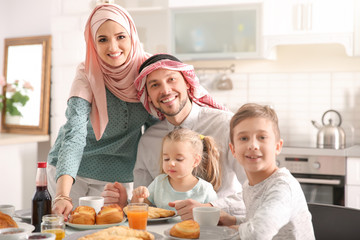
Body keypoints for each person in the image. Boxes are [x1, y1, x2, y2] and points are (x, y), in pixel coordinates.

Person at [102, 54, 247, 220]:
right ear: (148, 96)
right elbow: (145, 204)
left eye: (171, 79)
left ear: (187, 83)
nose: (165, 90)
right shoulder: (148, 141)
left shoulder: (225, 125)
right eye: (155, 85)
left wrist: (208, 208)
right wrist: (125, 205)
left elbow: (255, 190)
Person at [47, 3, 157, 220]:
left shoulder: (149, 71)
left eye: (120, 36)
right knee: (69, 230)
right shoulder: (87, 73)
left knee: (110, 231)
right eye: (102, 39)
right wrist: (62, 195)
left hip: (116, 177)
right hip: (70, 174)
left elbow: (157, 131)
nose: (113, 46)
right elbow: (74, 136)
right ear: (92, 43)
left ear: (132, 35)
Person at [220, 103, 315, 239]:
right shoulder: (249, 186)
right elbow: (258, 223)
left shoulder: (282, 187)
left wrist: (223, 233)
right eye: (244, 138)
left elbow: (257, 234)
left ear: (277, 146)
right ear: (233, 150)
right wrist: (233, 221)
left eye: (262, 137)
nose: (253, 145)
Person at [131, 128, 219, 210]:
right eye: (166, 159)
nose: (171, 163)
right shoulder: (158, 183)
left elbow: (215, 216)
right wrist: (138, 197)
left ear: (196, 161)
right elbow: (139, 209)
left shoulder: (205, 189)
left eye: (179, 159)